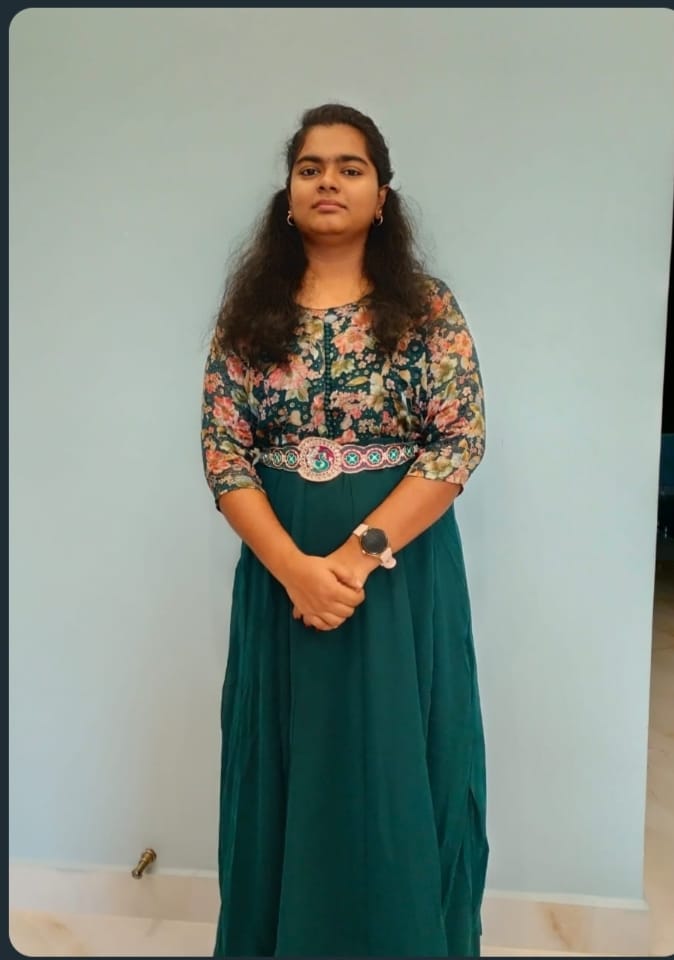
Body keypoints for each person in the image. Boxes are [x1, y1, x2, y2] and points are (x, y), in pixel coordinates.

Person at [201, 102, 489, 958]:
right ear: (288, 196)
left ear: (382, 196)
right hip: (280, 580)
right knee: (284, 769)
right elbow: (224, 452)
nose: (329, 181)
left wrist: (356, 560)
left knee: (397, 765)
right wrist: (294, 569)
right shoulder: (248, 315)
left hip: (398, 582)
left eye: (350, 167)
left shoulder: (427, 309)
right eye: (311, 168)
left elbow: (459, 439)